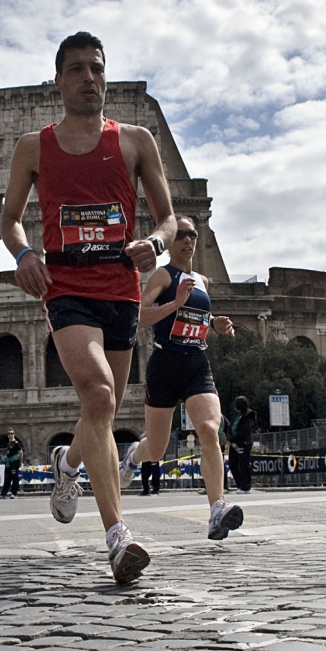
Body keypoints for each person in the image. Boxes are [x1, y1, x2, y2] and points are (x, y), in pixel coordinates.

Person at [0, 32, 176, 584]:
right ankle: (117, 537)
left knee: (103, 410)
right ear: (59, 80)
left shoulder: (136, 141)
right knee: (98, 394)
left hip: (120, 288)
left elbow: (168, 218)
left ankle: (67, 464)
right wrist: (26, 253)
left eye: (96, 68)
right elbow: (8, 222)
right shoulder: (34, 147)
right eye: (76, 69)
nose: (89, 78)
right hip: (66, 288)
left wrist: (158, 244)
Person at [117, 217, 243, 540]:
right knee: (156, 450)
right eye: (182, 235)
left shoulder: (201, 280)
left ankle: (217, 509)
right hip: (165, 365)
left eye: (193, 235)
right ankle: (133, 455)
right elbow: (138, 317)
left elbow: (196, 315)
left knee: (209, 430)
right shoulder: (163, 275)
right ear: (171, 242)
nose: (188, 240)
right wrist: (174, 303)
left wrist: (214, 323)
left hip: (196, 364)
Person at [228, 397, 255, 494]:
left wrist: (233, 438)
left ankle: (246, 486)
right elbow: (230, 426)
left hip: (243, 443)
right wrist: (230, 436)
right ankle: (240, 485)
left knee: (244, 465)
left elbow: (245, 431)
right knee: (232, 463)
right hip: (234, 444)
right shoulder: (235, 415)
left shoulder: (249, 416)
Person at [0, 429, 23, 499]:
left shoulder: (16, 443)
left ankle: (14, 494)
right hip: (8, 464)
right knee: (7, 479)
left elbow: (21, 452)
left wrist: (20, 462)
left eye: (11, 433)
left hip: (14, 463)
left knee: (15, 479)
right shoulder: (8, 444)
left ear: (14, 434)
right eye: (9, 434)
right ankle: (3, 494)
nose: (10, 435)